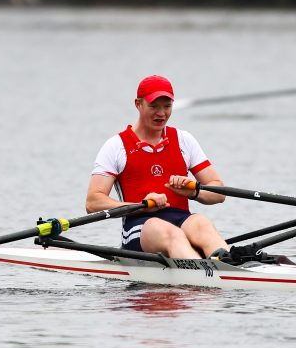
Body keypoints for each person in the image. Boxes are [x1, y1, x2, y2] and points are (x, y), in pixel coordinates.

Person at [86, 75, 257, 263]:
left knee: (201, 223)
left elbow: (219, 193)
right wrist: (141, 205)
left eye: (167, 106)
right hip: (140, 227)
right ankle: (204, 271)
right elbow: (93, 202)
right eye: (154, 106)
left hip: (182, 220)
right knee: (169, 232)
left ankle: (228, 263)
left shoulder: (184, 140)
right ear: (138, 104)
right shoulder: (116, 146)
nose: (161, 113)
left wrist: (194, 191)